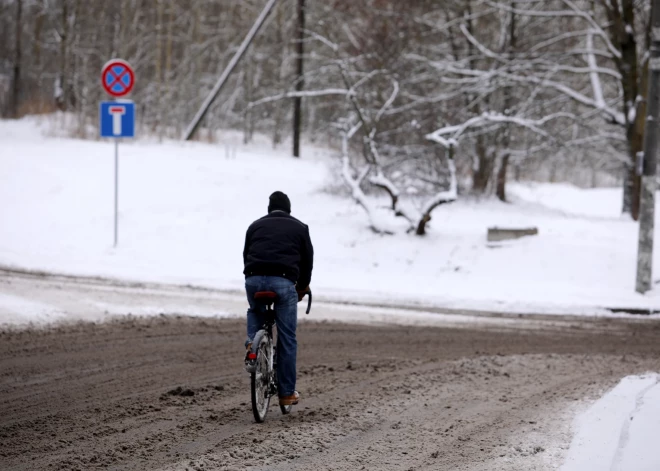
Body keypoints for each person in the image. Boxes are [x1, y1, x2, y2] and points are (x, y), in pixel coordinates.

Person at [243, 191, 313, 406]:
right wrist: (302, 287)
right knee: (287, 338)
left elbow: (246, 255)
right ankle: (286, 394)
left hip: (253, 279)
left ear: (269, 208)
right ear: (289, 209)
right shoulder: (300, 227)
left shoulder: (254, 226)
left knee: (255, 310)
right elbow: (307, 263)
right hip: (283, 282)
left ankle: (251, 345)